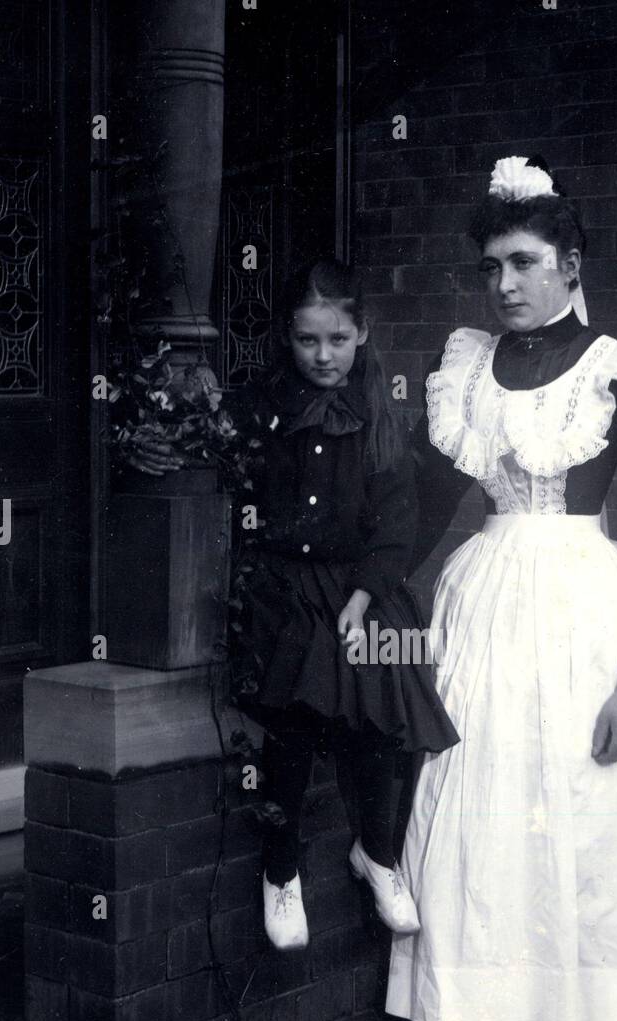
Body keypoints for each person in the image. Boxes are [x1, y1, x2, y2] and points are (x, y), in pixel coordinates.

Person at [386, 156, 617, 1021]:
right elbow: (425, 512)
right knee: (479, 844)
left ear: (570, 265)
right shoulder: (469, 367)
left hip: (583, 625)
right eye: (491, 267)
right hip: (481, 620)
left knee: (590, 848)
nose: (504, 284)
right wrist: (354, 582)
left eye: (523, 262)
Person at [225, 260, 459, 950]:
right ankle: (281, 865)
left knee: (392, 705)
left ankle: (378, 853)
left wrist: (362, 599)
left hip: (361, 585)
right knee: (296, 715)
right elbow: (243, 508)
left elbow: (396, 529)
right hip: (283, 588)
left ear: (362, 333)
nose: (322, 356)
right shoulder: (264, 412)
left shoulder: (383, 418)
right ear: (287, 340)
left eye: (336, 338)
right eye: (307, 341)